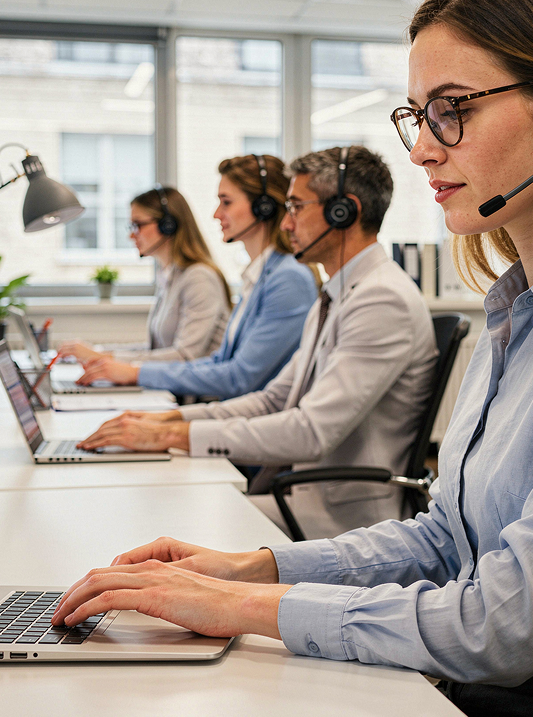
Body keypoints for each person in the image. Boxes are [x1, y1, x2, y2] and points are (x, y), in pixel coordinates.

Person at [54, 0, 533, 717]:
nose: (420, 149)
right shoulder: (518, 309)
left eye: (451, 112)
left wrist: (248, 607)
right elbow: (450, 537)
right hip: (511, 693)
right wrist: (252, 567)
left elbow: (510, 622)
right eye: (416, 115)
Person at [77, 146, 438, 539]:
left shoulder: (380, 300)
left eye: (297, 207)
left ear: (344, 212)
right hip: (303, 495)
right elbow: (272, 399)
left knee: (168, 520)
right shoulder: (338, 294)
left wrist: (169, 436)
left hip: (345, 519)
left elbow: (311, 432)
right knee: (159, 511)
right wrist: (169, 419)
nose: (286, 223)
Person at [65, 156, 317, 401]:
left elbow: (238, 377)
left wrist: (133, 371)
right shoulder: (258, 276)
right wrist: (117, 363)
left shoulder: (287, 279)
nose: (216, 214)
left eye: (226, 202)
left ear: (264, 208)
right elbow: (221, 362)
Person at [60, 187, 231, 366]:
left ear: (168, 225)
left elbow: (184, 356)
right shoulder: (170, 276)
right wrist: (99, 353)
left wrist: (102, 358)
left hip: (194, 393)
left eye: (138, 225)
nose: (131, 235)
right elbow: (155, 352)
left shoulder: (199, 278)